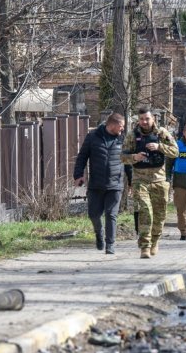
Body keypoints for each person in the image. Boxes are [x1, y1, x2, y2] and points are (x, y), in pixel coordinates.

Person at [121, 108, 179, 259]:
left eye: (147, 119)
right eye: (141, 119)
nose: (144, 122)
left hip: (159, 181)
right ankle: (144, 246)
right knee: (145, 211)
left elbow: (175, 152)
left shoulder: (162, 133)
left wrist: (159, 147)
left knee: (160, 216)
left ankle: (155, 241)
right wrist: (135, 157)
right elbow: (122, 157)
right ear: (138, 120)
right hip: (140, 180)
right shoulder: (132, 135)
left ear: (153, 118)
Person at [73, 113, 126, 255]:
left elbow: (129, 161)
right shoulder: (93, 137)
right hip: (96, 184)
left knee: (111, 214)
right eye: (121, 126)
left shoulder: (123, 139)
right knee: (93, 215)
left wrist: (132, 182)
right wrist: (78, 175)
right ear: (113, 125)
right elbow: (82, 156)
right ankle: (99, 233)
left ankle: (110, 244)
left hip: (115, 184)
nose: (122, 129)